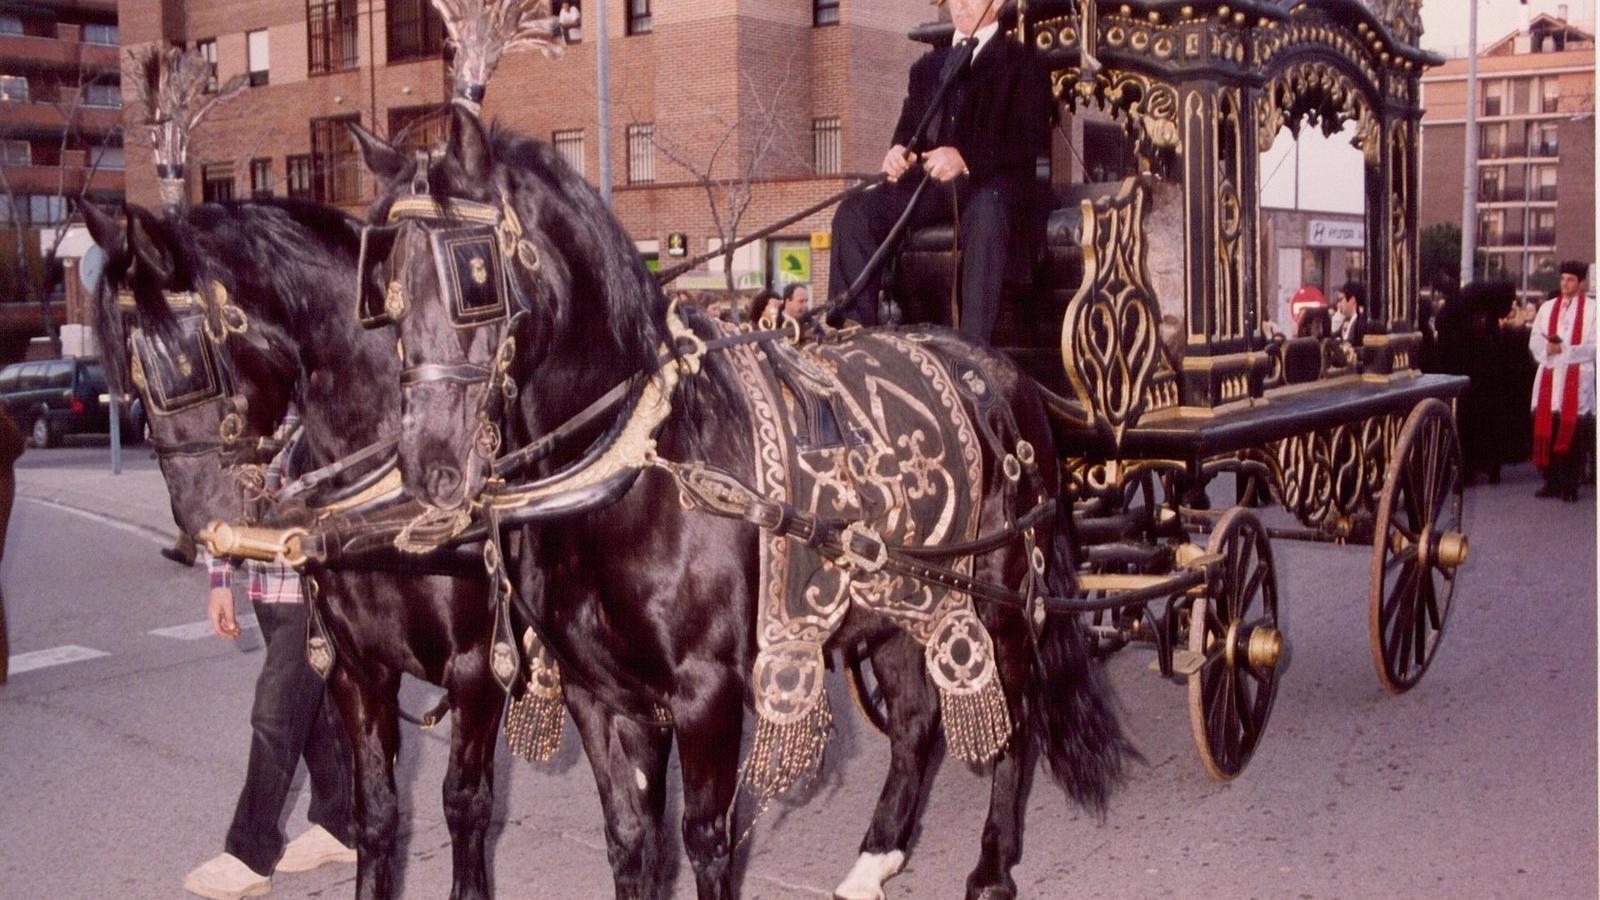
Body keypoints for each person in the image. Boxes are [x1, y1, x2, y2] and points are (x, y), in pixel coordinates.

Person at [184, 410, 356, 900]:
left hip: (315, 589)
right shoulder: (250, 411)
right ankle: (342, 823)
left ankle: (249, 852)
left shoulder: (318, 406)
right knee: (313, 711)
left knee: (275, 715)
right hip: (266, 587)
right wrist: (220, 581)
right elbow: (230, 497)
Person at [826, 0, 1051, 342]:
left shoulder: (1025, 62)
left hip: (992, 185)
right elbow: (909, 129)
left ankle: (974, 345)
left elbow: (1028, 137)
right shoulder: (927, 67)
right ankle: (852, 331)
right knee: (854, 211)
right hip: (933, 186)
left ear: (998, 3)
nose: (959, 5)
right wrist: (898, 151)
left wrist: (965, 158)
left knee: (987, 215)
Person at [1528, 260, 1595, 502]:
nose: (1565, 284)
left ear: (1581, 283)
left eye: (1570, 280)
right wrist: (1547, 348)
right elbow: (1535, 338)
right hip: (1550, 374)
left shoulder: (1593, 310)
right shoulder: (1547, 308)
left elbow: (1595, 345)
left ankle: (1570, 484)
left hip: (1576, 376)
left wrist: (1565, 349)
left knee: (1574, 433)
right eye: (1563, 279)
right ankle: (1551, 481)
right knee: (1548, 428)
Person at [1333, 281, 1367, 348]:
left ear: (1352, 300)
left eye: (1341, 299)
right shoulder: (1346, 321)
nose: (1338, 305)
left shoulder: (1361, 323)